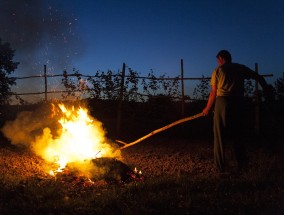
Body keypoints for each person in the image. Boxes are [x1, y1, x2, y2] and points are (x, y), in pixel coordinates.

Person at [202, 50, 270, 173]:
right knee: (238, 134)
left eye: (218, 60)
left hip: (222, 102)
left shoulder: (218, 70)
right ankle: (242, 164)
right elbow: (258, 77)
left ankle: (220, 166)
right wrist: (266, 90)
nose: (217, 63)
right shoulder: (240, 68)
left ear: (221, 58)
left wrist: (207, 108)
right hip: (238, 102)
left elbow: (213, 92)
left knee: (219, 135)